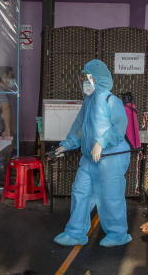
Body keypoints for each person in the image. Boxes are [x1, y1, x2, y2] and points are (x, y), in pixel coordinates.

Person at [53, 60, 131, 248]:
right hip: (89, 159)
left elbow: (119, 128)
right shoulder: (88, 101)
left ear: (98, 79)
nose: (85, 82)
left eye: (88, 78)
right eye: (84, 78)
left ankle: (118, 234)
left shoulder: (111, 101)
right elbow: (80, 127)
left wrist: (101, 142)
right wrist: (67, 144)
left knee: (111, 197)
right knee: (80, 192)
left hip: (110, 158)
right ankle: (75, 232)